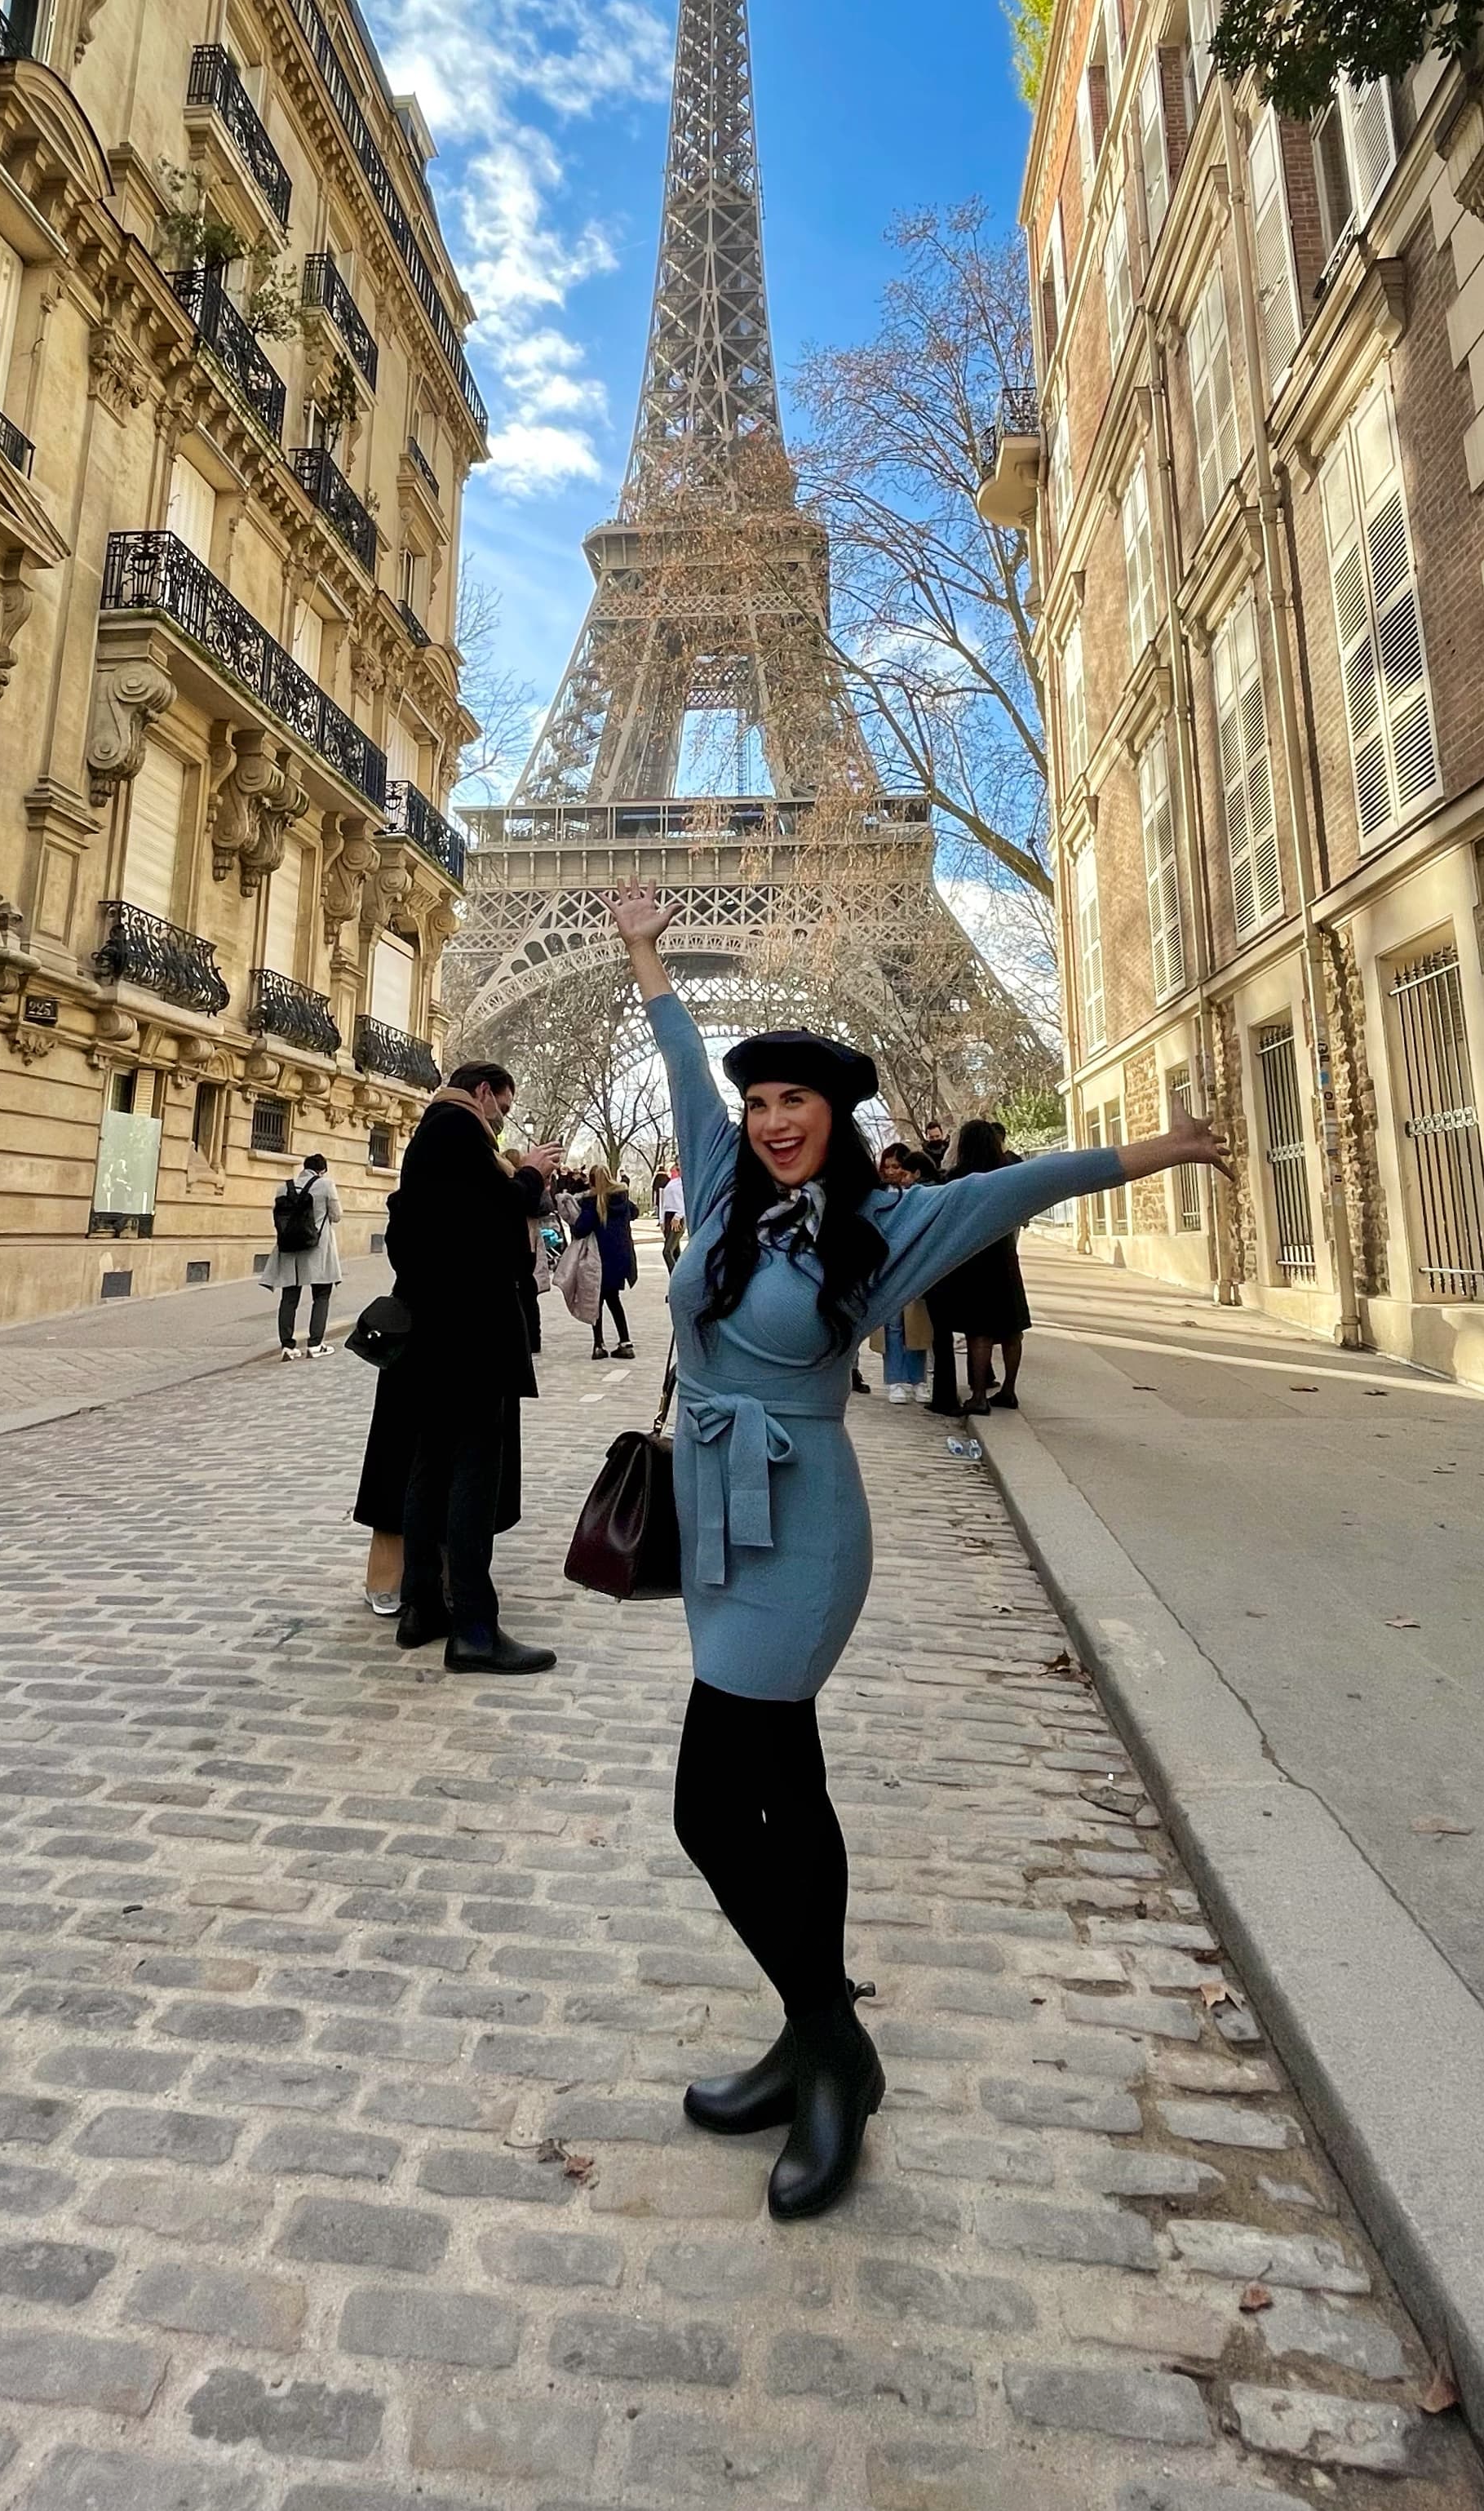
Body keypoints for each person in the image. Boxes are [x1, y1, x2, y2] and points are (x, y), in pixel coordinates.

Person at [605, 884, 1228, 2220]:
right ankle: (809, 2042)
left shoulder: (882, 1229)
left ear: (837, 1120)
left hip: (803, 1526)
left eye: (796, 1105)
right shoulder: (716, 1179)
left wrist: (1159, 1150)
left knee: (711, 1808)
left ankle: (835, 2041)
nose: (771, 1121)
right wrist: (647, 952)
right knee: (784, 1785)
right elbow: (672, 1056)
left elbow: (1016, 1181)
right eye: (758, 1099)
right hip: (719, 1511)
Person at [352, 1060, 564, 1672]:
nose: (505, 1115)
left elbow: (428, 1230)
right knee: (474, 1473)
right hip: (471, 1335)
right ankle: (474, 1626)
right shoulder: (460, 1132)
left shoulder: (431, 1135)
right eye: (504, 1101)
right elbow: (493, 1224)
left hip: (435, 1336)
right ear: (483, 1092)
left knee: (430, 1465)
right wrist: (528, 1176)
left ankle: (422, 1607)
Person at [926, 1120, 1032, 1414]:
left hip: (973, 1257)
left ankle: (979, 1396)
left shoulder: (957, 1178)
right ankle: (1009, 1390)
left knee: (979, 1330)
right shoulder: (1010, 1174)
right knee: (1013, 1328)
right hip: (1005, 1253)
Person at [264, 1151, 341, 1359]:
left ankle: (287, 1347)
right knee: (322, 1295)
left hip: (289, 1249)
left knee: (289, 1298)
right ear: (322, 1170)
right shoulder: (326, 1185)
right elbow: (336, 1215)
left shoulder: (284, 1187)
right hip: (317, 1248)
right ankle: (315, 1345)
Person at [871, 1148, 932, 1400]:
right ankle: (895, 1380)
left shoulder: (918, 1194)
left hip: (913, 1265)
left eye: (897, 1166)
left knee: (916, 1325)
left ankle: (919, 1379)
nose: (892, 1171)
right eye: (888, 1166)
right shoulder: (878, 1195)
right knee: (893, 1326)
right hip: (886, 1266)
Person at [574, 1170, 640, 1359]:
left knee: (597, 1300)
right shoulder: (621, 1198)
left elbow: (580, 1229)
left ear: (592, 1181)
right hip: (621, 1257)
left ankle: (599, 1344)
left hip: (599, 1258)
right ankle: (625, 1341)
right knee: (613, 1299)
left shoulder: (593, 1202)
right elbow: (635, 1212)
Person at [658, 1160, 688, 1271]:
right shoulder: (670, 1182)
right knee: (675, 1251)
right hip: (668, 1215)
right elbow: (663, 1201)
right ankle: (680, 1278)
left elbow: (687, 1201)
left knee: (667, 1251)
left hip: (677, 1216)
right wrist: (661, 1220)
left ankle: (676, 1279)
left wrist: (679, 1215)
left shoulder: (684, 1182)